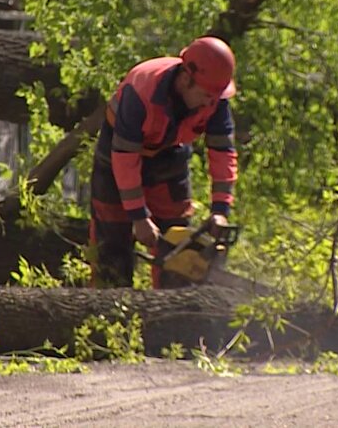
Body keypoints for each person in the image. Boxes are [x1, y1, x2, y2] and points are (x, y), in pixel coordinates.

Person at [89, 36, 238, 288]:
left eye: (214, 97)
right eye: (205, 95)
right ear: (184, 79)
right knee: (111, 242)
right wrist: (138, 217)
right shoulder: (142, 90)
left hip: (169, 153)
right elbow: (125, 159)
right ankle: (108, 311)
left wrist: (220, 211)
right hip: (118, 154)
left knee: (178, 239)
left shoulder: (215, 97)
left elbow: (223, 151)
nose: (209, 103)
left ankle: (172, 312)